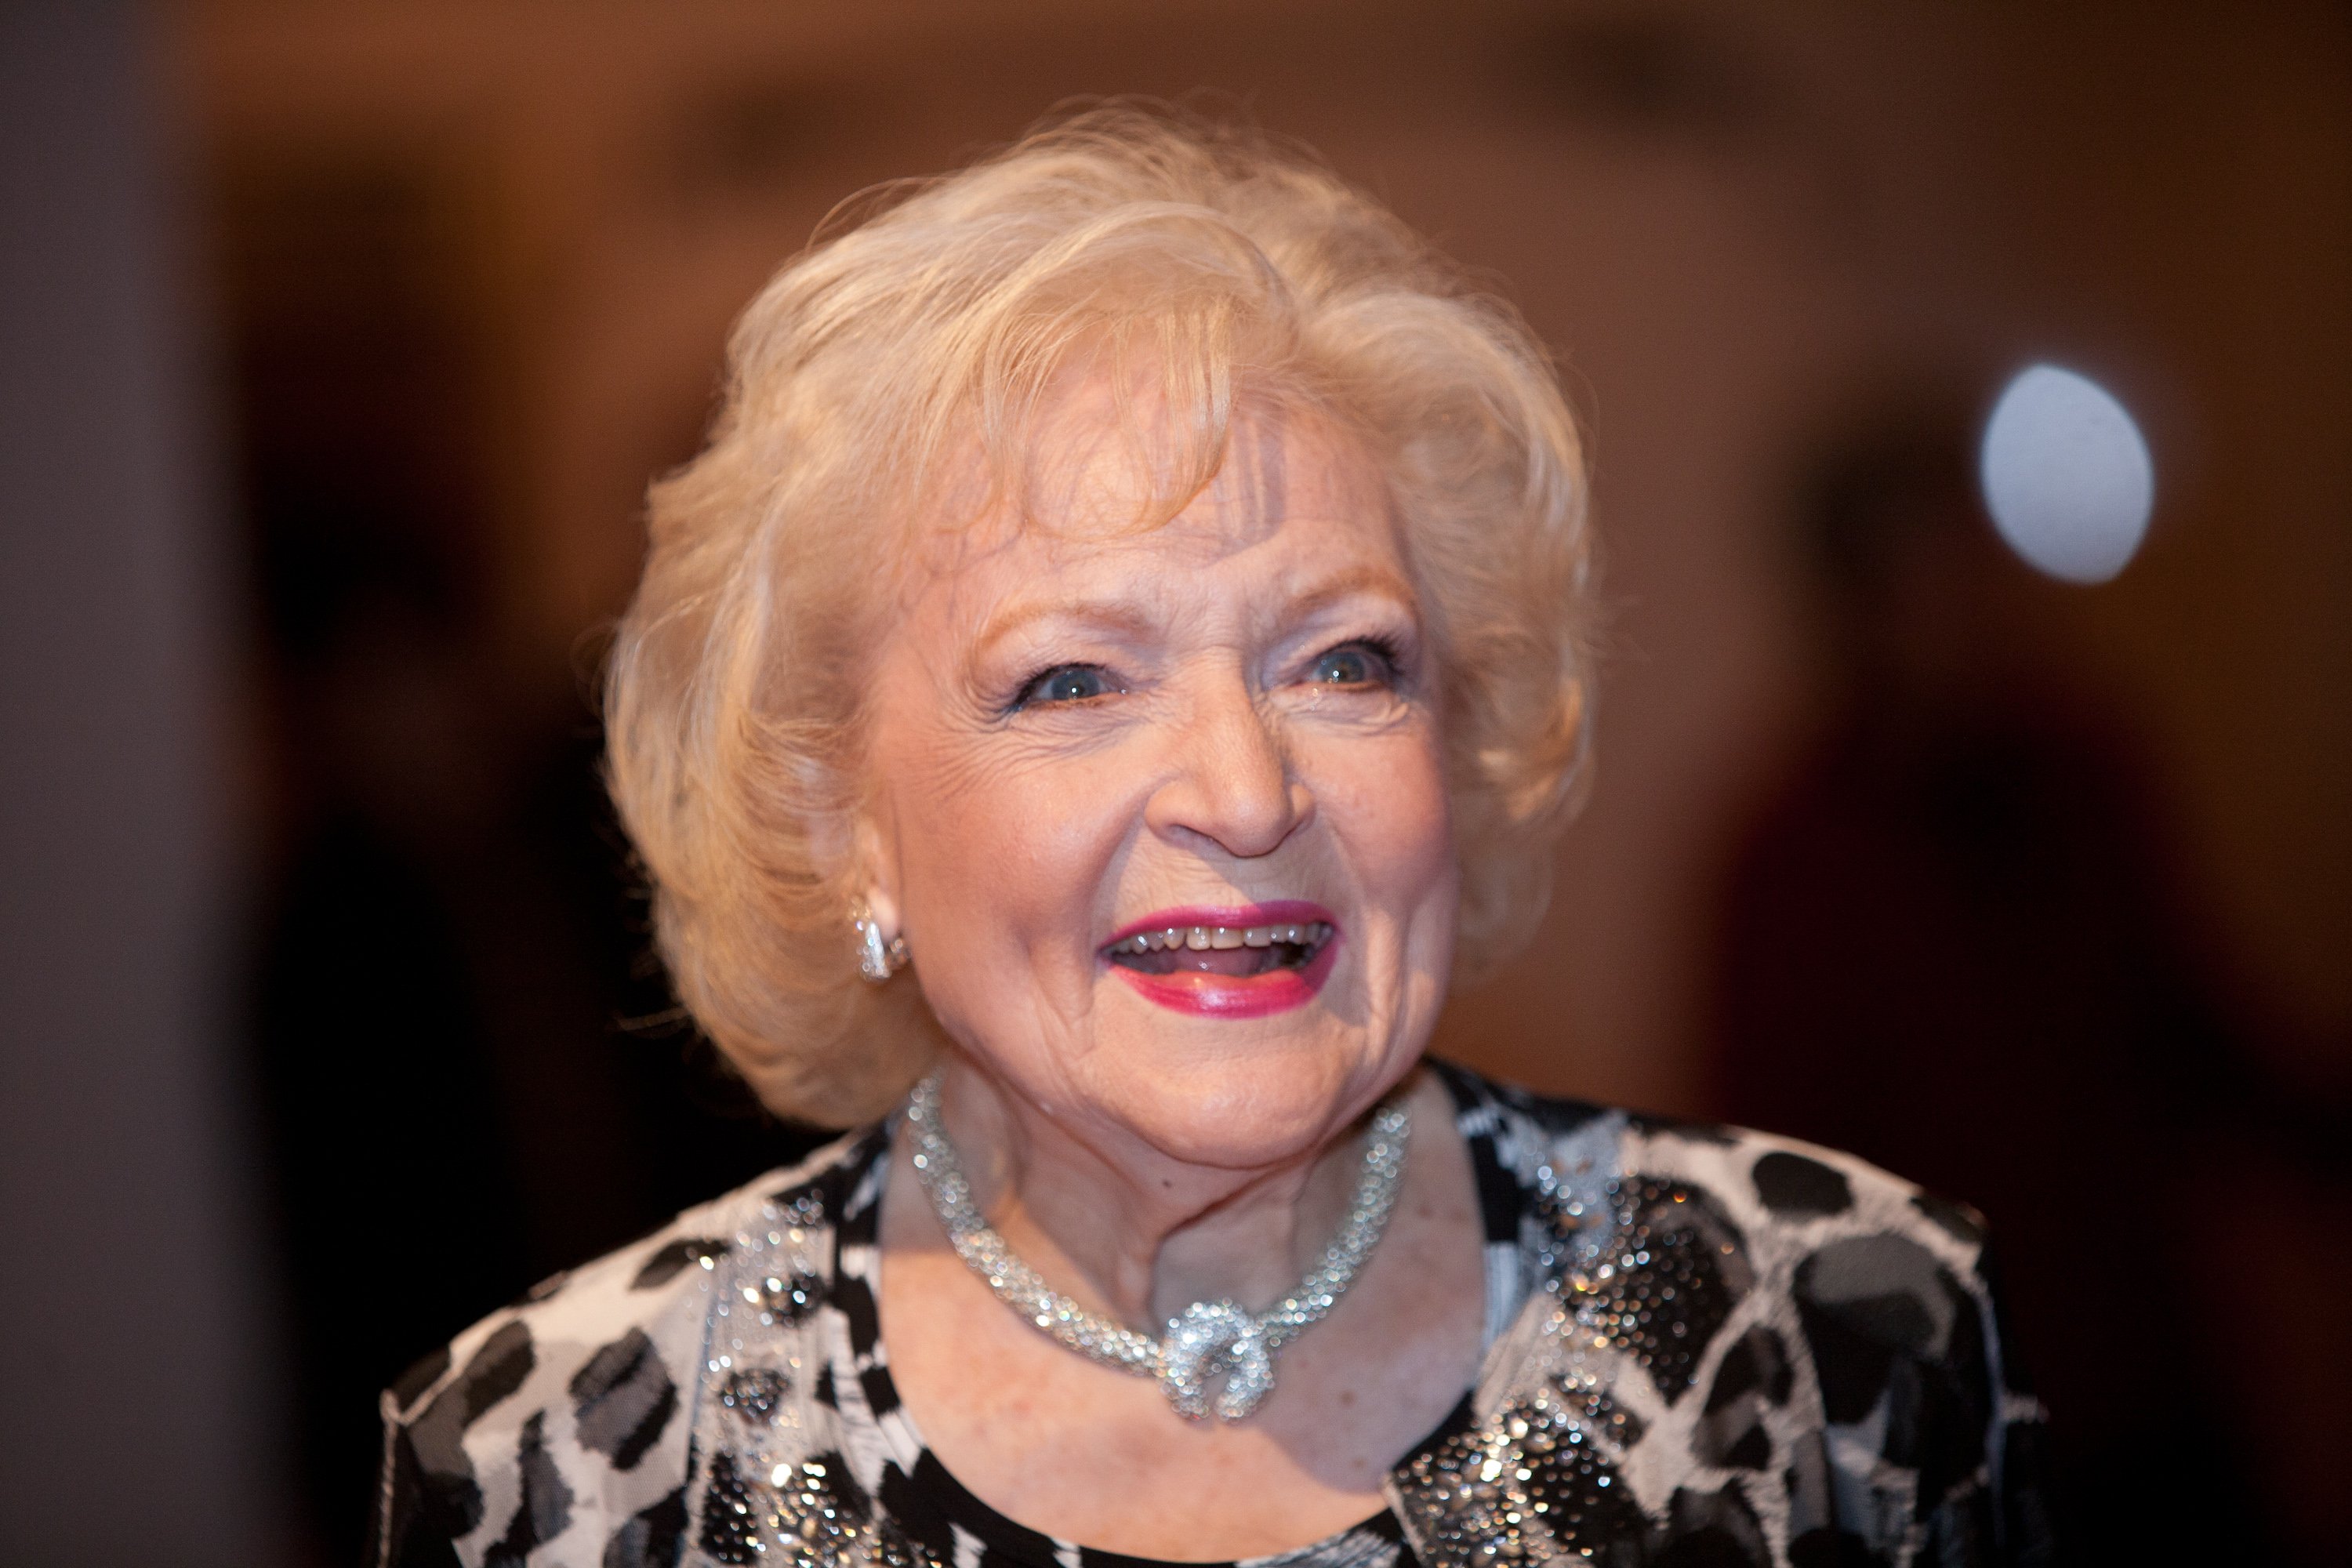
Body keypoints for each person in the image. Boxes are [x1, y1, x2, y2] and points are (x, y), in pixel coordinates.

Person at [368, 110, 2052, 1568]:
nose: (1246, 793)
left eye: (1342, 661)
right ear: (840, 820)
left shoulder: (1843, 1334)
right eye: (1073, 679)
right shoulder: (568, 1467)